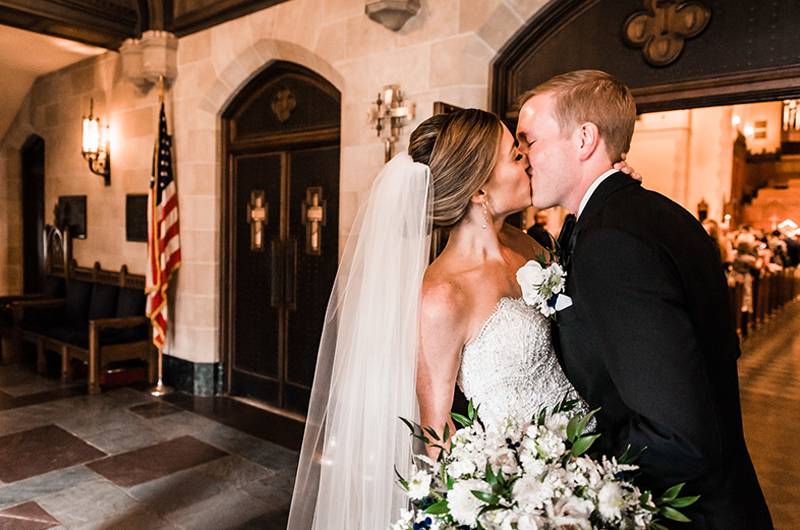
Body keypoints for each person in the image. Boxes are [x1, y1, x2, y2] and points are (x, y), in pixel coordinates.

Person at [286, 108, 635, 529]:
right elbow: (437, 432)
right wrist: (489, 509)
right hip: (523, 489)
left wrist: (612, 199)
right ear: (479, 191)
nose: (528, 157)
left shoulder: (530, 248)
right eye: (514, 154)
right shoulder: (441, 296)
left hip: (591, 457)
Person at [516, 69, 772, 529]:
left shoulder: (613, 241)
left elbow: (677, 437)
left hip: (686, 514)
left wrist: (560, 467)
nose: (522, 157)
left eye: (529, 140)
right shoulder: (652, 214)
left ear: (584, 139)